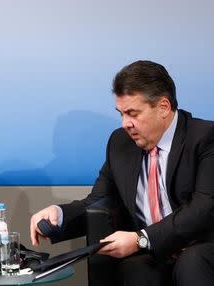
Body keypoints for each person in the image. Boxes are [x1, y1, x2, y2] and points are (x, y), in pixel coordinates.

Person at [30, 60, 214, 286]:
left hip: (201, 246)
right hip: (156, 252)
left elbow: (203, 208)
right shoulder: (120, 143)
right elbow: (99, 201)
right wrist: (59, 215)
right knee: (135, 269)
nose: (125, 124)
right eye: (121, 114)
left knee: (192, 262)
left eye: (132, 113)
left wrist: (141, 239)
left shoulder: (205, 138)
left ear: (164, 108)